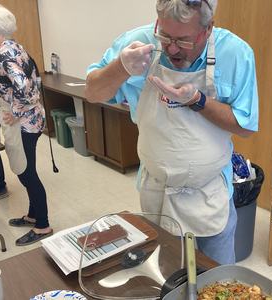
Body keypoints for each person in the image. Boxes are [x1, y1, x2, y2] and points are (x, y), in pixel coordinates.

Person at [86, 0, 258, 264]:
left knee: (218, 279)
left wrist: (198, 101)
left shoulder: (235, 53)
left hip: (209, 193)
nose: (172, 48)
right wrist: (121, 67)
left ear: (208, 28)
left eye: (184, 40)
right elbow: (93, 93)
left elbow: (245, 127)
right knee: (167, 274)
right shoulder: (138, 43)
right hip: (158, 190)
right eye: (164, 35)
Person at [0, 5, 53, 246]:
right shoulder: (13, 46)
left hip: (25, 123)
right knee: (26, 170)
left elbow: (26, 89)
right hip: (33, 119)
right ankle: (33, 215)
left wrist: (15, 112)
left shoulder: (3, 54)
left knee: (26, 173)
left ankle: (43, 226)